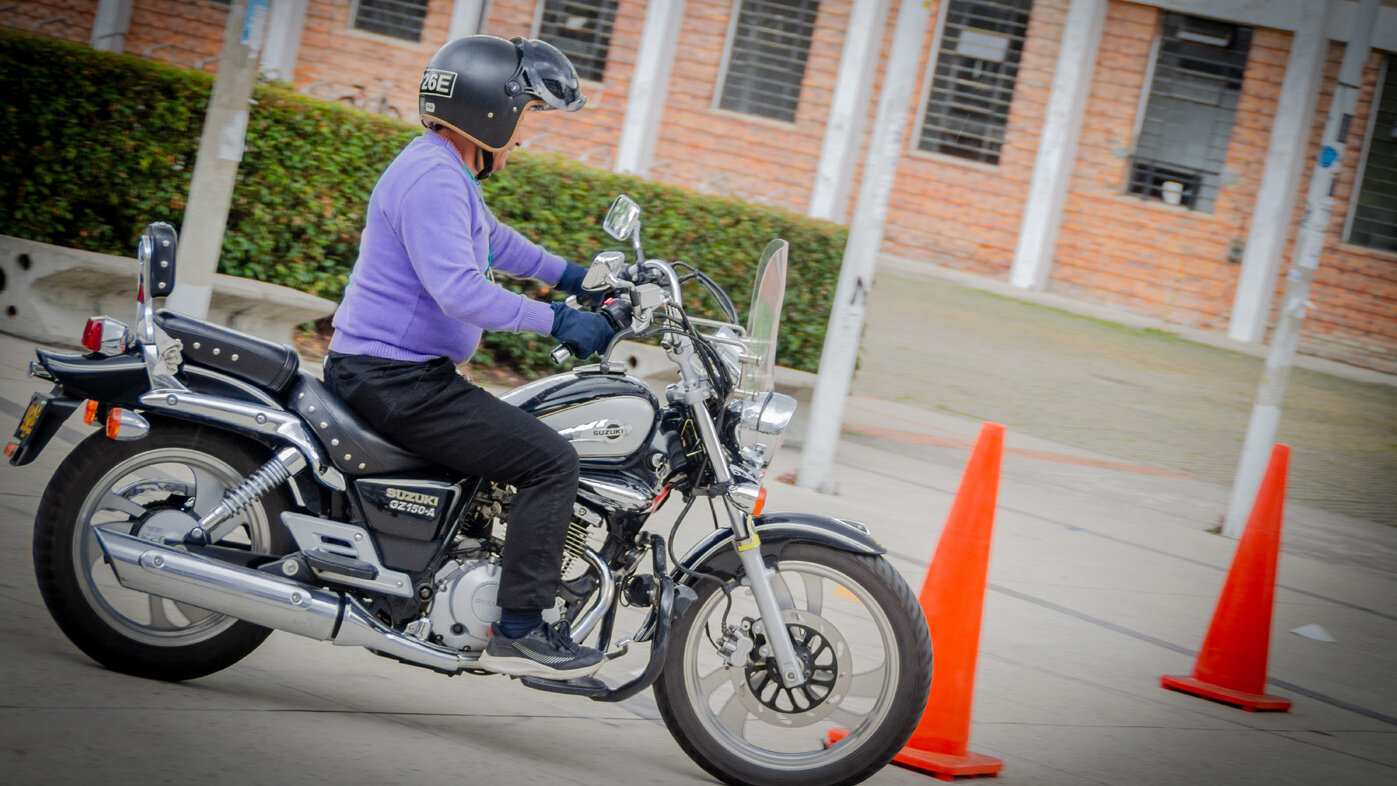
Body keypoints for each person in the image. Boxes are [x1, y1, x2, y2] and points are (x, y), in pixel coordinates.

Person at [322, 35, 616, 680]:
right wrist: (560, 320)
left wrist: (572, 276)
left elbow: (492, 240)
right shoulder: (433, 176)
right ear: (491, 112)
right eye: (525, 118)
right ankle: (521, 626)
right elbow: (458, 289)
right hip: (394, 378)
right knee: (551, 461)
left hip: (399, 372)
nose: (523, 136)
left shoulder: (439, 169)